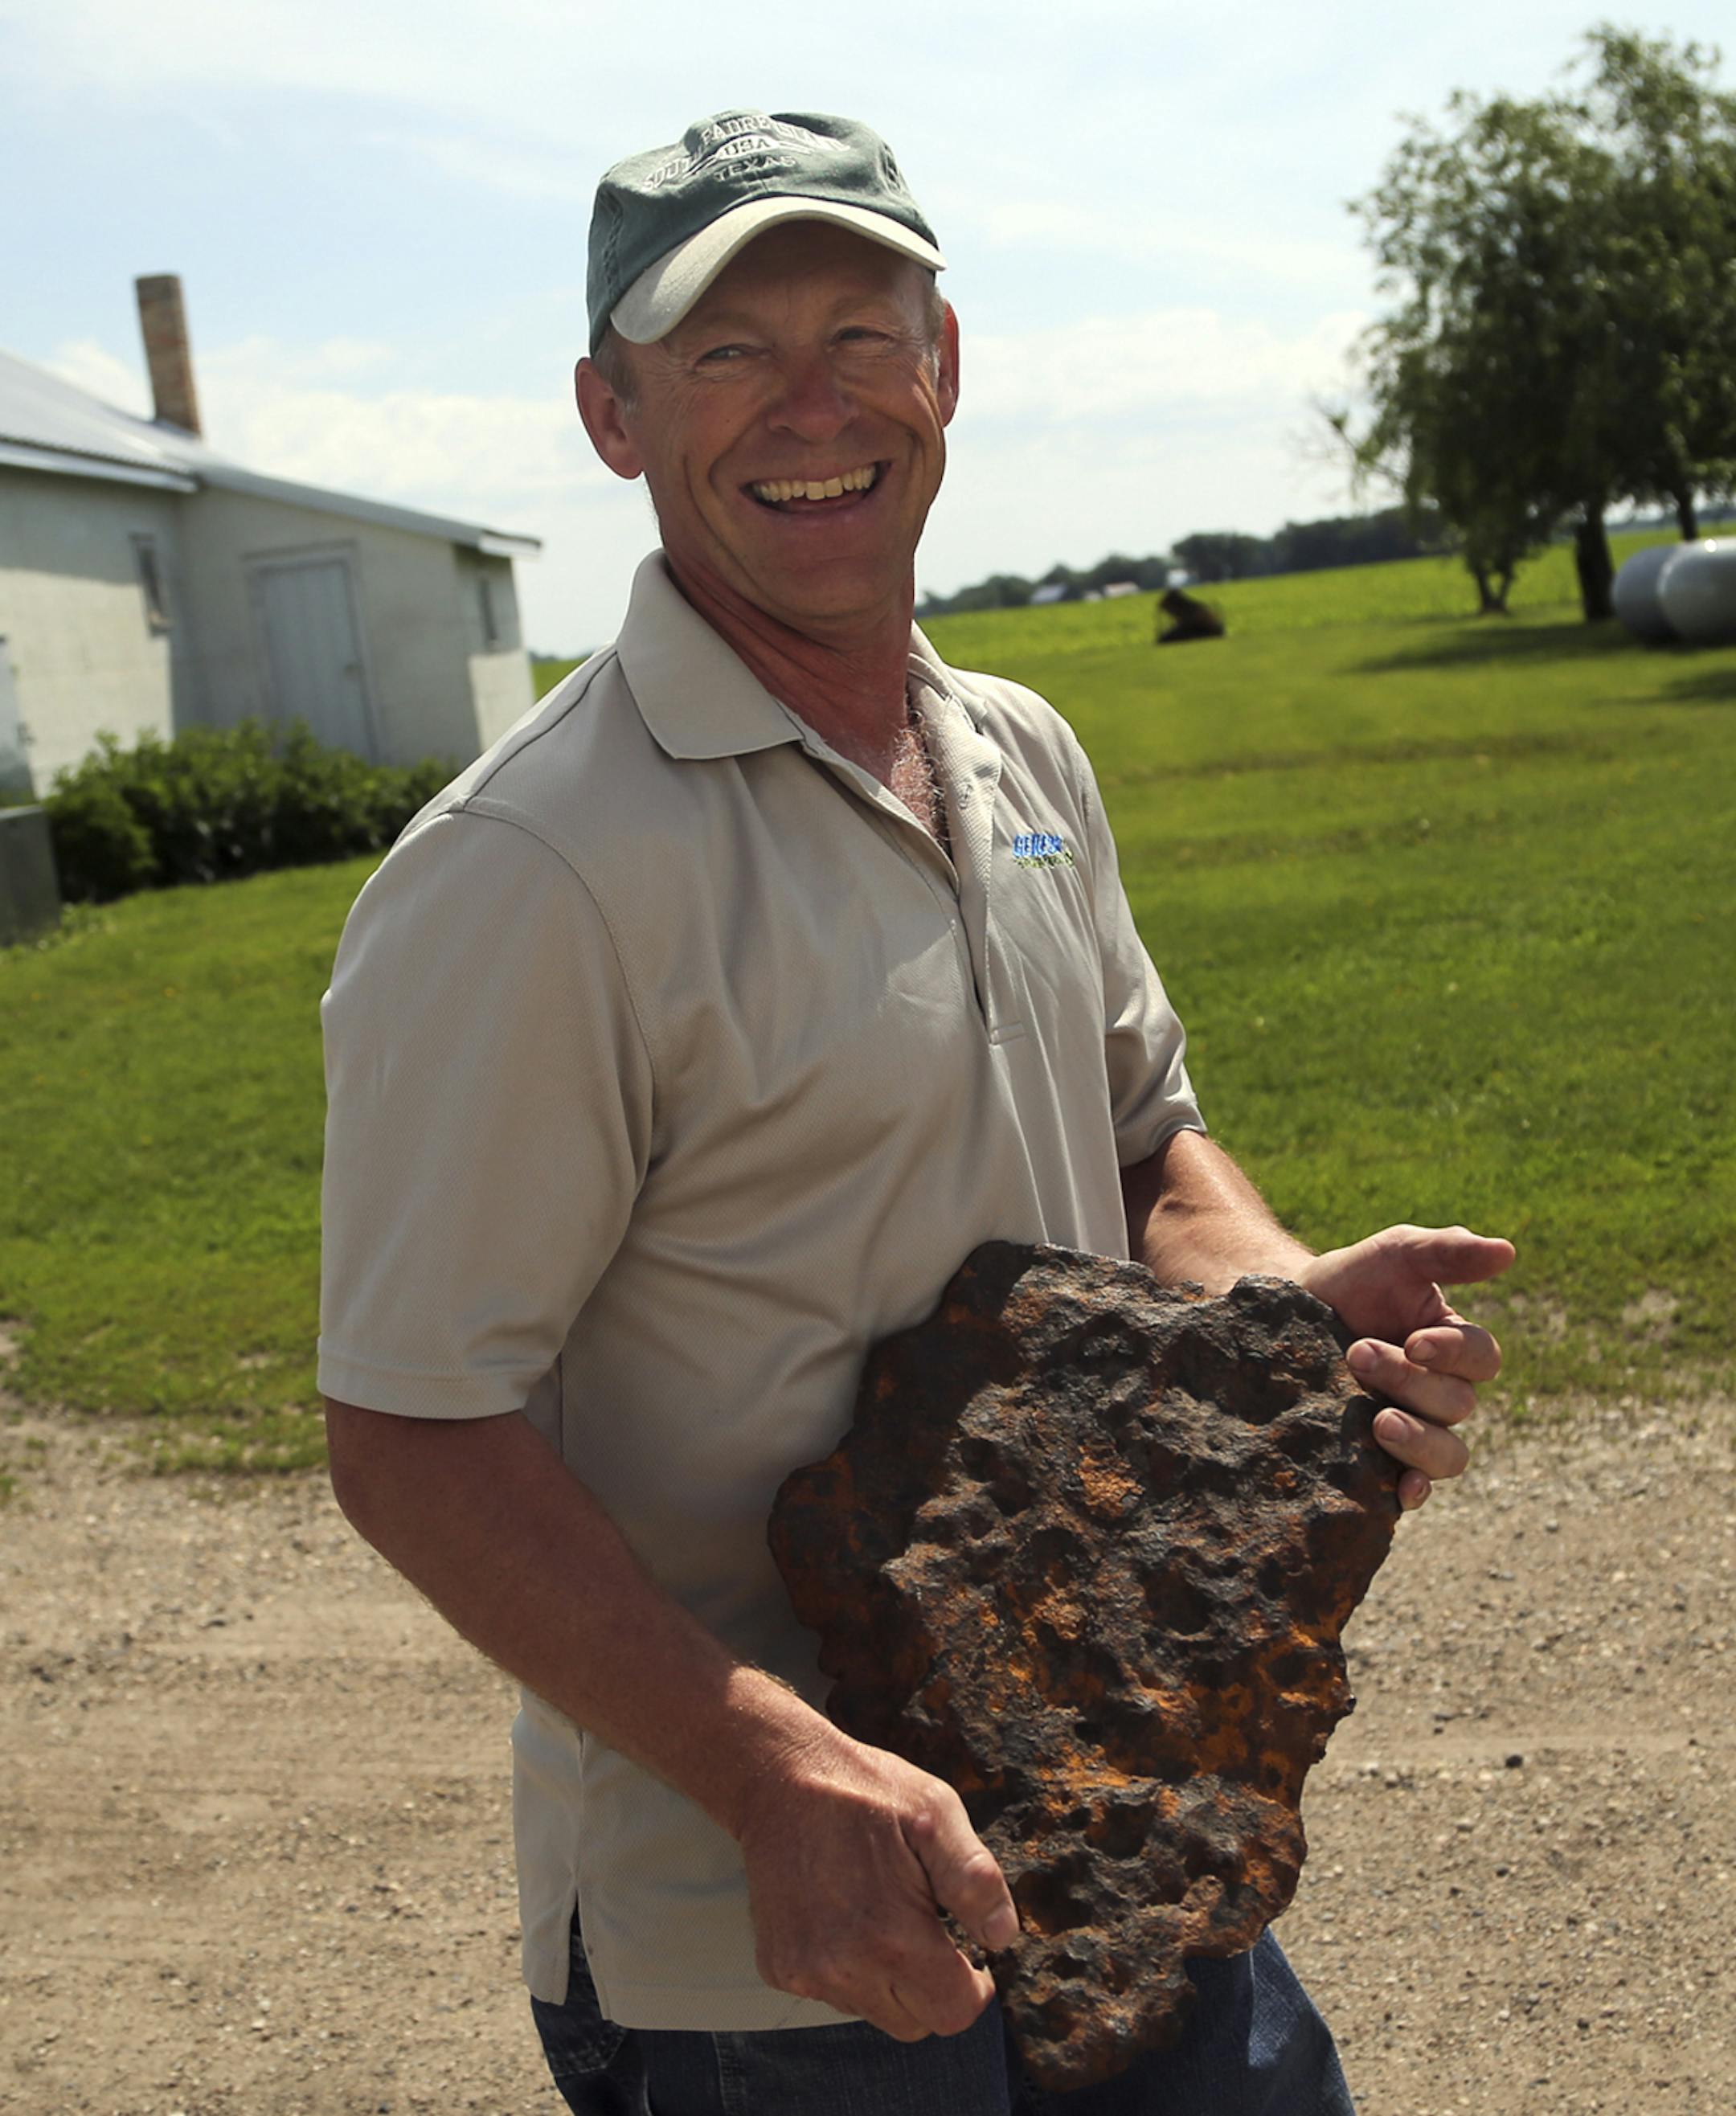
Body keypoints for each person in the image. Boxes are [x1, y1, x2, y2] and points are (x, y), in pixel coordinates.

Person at [317, 108, 1514, 2116]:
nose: (814, 404)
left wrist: (1281, 1314)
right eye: (725, 352)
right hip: (774, 1950)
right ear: (613, 414)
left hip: (1135, 1818)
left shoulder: (1019, 747)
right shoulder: (528, 872)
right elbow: (412, 1431)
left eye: (863, 332)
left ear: (944, 369)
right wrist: (775, 1771)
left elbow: (1143, 1136)